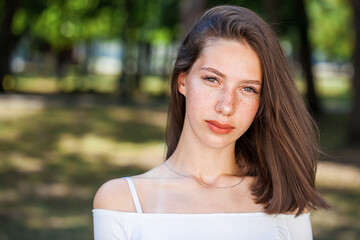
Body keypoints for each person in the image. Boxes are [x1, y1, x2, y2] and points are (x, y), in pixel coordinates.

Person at [92, 5, 330, 240]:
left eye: (248, 89)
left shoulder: (282, 203)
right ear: (182, 81)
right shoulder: (123, 202)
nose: (226, 106)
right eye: (212, 79)